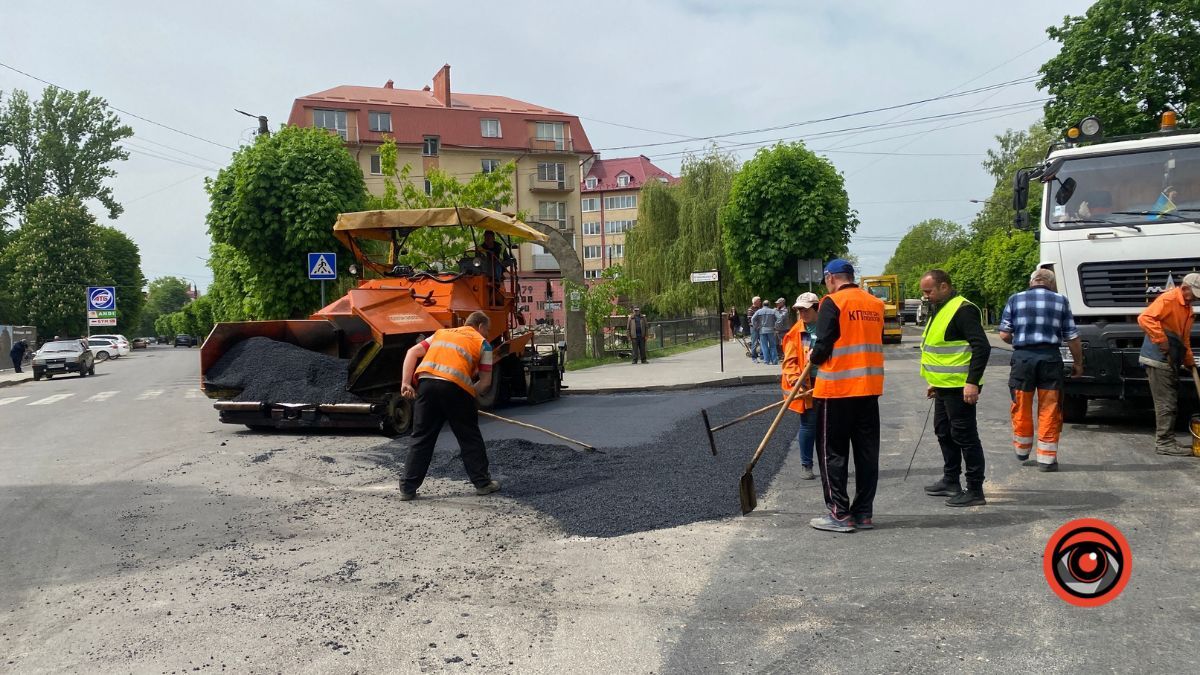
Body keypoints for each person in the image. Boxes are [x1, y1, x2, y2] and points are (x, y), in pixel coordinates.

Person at [808, 259, 885, 533]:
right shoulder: (875, 304)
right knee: (866, 453)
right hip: (868, 390)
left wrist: (813, 357)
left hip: (836, 391)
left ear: (830, 277)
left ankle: (839, 514)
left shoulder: (833, 302)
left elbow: (824, 342)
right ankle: (863, 513)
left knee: (832, 453)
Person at [398, 311, 501, 501]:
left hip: (427, 385)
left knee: (421, 437)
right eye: (487, 330)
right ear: (479, 327)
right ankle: (483, 483)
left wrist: (405, 382)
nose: (487, 334)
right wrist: (468, 397)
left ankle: (407, 488)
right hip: (456, 388)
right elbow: (485, 383)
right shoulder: (483, 343)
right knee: (469, 437)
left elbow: (412, 352)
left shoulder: (441, 333)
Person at [918, 270, 992, 507]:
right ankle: (951, 480)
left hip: (960, 388)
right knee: (943, 432)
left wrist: (972, 382)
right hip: (943, 386)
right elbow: (941, 348)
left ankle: (975, 490)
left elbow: (982, 347)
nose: (925, 295)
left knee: (965, 436)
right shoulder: (940, 308)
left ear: (944, 286)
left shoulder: (963, 309)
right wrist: (934, 382)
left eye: (929, 291)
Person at [998, 268, 1084, 472]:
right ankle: (1046, 459)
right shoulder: (1060, 300)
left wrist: (1020, 341)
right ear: (1051, 284)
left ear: (1032, 282)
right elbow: (1072, 337)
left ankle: (1022, 449)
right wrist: (1078, 363)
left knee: (1021, 403)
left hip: (1023, 359)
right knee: (1050, 407)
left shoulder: (1015, 299)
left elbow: (1003, 334)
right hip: (1050, 359)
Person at [1137, 272, 1200, 456]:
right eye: (1194, 293)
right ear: (1185, 287)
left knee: (1171, 401)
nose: (1195, 297)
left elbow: (1184, 339)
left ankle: (1168, 440)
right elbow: (1145, 318)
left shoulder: (1188, 309)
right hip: (1157, 358)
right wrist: (1161, 339)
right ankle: (1164, 443)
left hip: (1172, 357)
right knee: (1166, 403)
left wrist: (1189, 361)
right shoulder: (1169, 299)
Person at [782, 292, 820, 480]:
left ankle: (829, 465)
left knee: (828, 426)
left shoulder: (827, 328)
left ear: (816, 308)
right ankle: (807, 464)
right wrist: (797, 382)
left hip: (828, 381)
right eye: (799, 310)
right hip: (807, 383)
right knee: (808, 424)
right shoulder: (795, 333)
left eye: (805, 309)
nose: (801, 313)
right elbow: (789, 363)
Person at [752, 300, 779, 365]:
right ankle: (774, 361)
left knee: (764, 346)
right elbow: (779, 318)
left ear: (763, 305)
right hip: (771, 330)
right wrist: (776, 325)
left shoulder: (759, 311)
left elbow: (752, 319)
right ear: (769, 304)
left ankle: (766, 361)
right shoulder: (773, 311)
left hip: (762, 330)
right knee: (772, 345)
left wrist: (756, 326)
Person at [746, 297, 763, 362]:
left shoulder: (760, 309)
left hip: (760, 327)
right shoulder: (750, 309)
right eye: (759, 301)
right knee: (754, 342)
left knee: (762, 342)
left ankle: (762, 356)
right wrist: (756, 326)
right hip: (754, 328)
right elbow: (750, 320)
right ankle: (754, 357)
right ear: (755, 302)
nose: (760, 302)